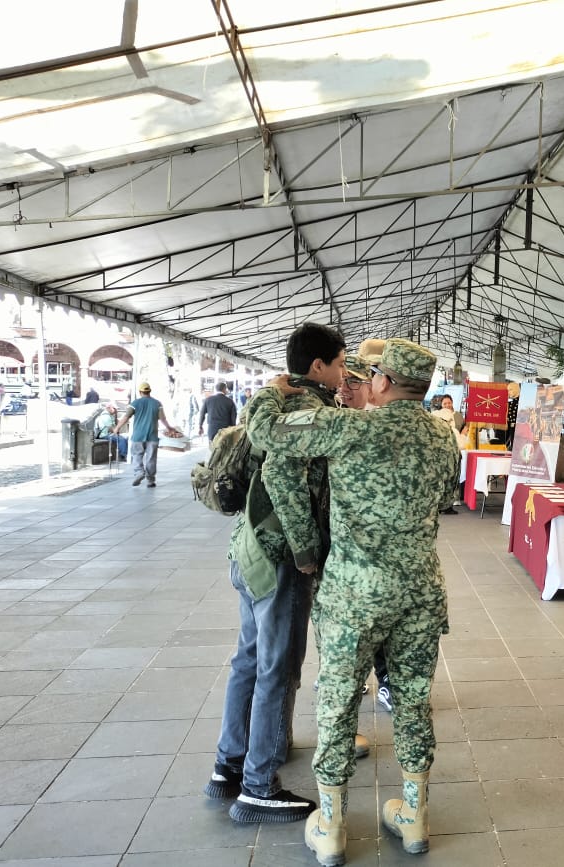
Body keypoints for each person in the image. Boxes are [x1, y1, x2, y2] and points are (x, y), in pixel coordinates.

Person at [246, 337, 460, 864]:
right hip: (419, 590)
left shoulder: (349, 428)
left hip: (354, 594)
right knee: (412, 700)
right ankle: (415, 817)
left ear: (382, 381)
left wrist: (272, 392)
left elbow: (264, 433)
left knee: (339, 701)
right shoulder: (444, 436)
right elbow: (446, 498)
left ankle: (333, 824)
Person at [206, 322, 362, 825]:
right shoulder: (308, 410)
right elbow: (281, 475)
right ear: (318, 365)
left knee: (250, 659)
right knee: (278, 667)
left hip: (249, 549)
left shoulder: (274, 402)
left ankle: (229, 765)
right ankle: (258, 786)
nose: (344, 374)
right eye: (340, 364)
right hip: (278, 558)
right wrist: (306, 551)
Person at [341, 347, 395, 715]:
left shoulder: (381, 426)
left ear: (372, 386)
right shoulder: (329, 421)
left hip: (376, 547)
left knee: (379, 619)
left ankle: (386, 679)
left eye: (355, 382)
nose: (345, 389)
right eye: (341, 382)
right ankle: (352, 676)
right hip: (337, 544)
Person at [111, 382, 178, 487]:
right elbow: (163, 419)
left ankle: (139, 472)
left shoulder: (135, 403)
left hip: (138, 436)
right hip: (152, 436)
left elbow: (126, 417)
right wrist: (169, 428)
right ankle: (150, 480)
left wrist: (117, 428)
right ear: (149, 391)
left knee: (137, 455)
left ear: (140, 392)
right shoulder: (157, 404)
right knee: (151, 459)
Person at [431, 395, 465, 515]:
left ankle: (438, 505)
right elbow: (462, 445)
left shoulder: (435, 429)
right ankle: (446, 506)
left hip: (440, 459)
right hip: (450, 461)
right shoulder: (452, 430)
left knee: (439, 481)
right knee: (449, 482)